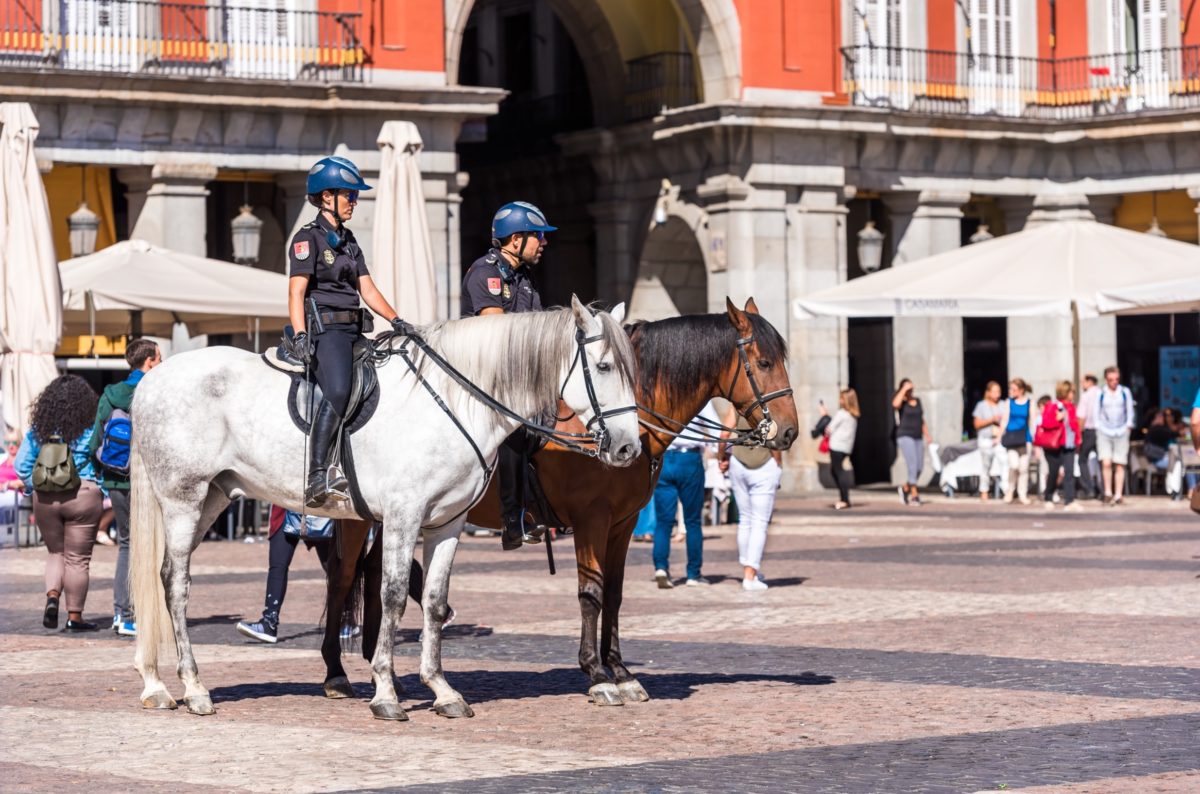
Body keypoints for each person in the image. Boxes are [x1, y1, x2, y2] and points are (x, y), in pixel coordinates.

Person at [287, 155, 417, 509]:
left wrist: (398, 320)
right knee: (340, 388)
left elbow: (368, 289)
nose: (355, 202)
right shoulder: (306, 239)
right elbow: (297, 292)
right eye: (349, 195)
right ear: (326, 197)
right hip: (326, 333)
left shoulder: (349, 240)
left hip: (356, 331)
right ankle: (317, 476)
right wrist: (301, 336)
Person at [460, 201, 556, 550]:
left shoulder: (525, 278)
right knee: (514, 430)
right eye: (538, 237)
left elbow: (539, 329)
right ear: (516, 240)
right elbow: (497, 334)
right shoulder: (486, 273)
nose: (543, 243)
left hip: (523, 378)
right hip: (489, 377)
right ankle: (513, 518)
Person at [13, 376, 104, 631]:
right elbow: (105, 459)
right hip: (82, 495)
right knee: (77, 559)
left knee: (55, 553)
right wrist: (99, 486)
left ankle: (52, 596)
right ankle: (75, 617)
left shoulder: (39, 430)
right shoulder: (91, 427)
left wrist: (35, 486)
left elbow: (21, 466)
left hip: (45, 498)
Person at [87, 337, 161, 636]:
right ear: (150, 362)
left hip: (115, 480)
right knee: (151, 545)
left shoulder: (110, 394)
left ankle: (122, 613)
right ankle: (139, 613)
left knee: (127, 546)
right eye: (160, 357)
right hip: (146, 481)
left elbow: (95, 441)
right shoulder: (155, 390)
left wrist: (102, 474)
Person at [652, 400, 721, 588]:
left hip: (665, 458)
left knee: (664, 521)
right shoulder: (699, 397)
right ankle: (693, 573)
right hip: (690, 459)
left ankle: (661, 568)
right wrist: (715, 451)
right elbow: (715, 427)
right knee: (692, 521)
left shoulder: (664, 393)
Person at [718, 404, 783, 591]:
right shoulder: (767, 405)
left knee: (745, 519)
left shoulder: (737, 404)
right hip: (763, 463)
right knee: (760, 522)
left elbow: (723, 434)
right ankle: (750, 574)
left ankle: (748, 567)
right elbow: (774, 439)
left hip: (738, 461)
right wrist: (778, 463)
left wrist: (721, 457)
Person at [1095, 366, 1135, 506]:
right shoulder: (1101, 393)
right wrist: (1098, 427)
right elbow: (1097, 412)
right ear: (1106, 379)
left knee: (1120, 464)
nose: (1114, 382)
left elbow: (1129, 411)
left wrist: (1128, 427)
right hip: (1105, 431)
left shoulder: (1125, 392)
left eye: (1117, 379)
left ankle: (1118, 494)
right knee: (1106, 462)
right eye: (1111, 379)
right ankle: (1107, 492)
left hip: (1121, 431)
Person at [1039, 381, 1081, 512]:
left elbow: (1075, 426)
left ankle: (1069, 501)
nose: (1073, 394)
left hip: (1069, 444)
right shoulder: (1053, 406)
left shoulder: (1072, 407)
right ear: (1065, 392)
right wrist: (1057, 419)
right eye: (1071, 392)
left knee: (1069, 472)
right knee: (1054, 472)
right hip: (1055, 445)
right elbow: (1045, 423)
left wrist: (1078, 440)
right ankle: (1048, 497)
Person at [819, 389, 859, 510]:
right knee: (835, 471)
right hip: (846, 447)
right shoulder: (853, 414)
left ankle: (844, 499)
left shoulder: (842, 413)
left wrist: (824, 416)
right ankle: (844, 498)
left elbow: (829, 429)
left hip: (836, 446)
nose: (840, 400)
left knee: (838, 471)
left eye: (842, 398)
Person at [892, 378, 930, 506]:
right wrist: (903, 390)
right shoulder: (901, 401)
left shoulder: (917, 401)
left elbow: (921, 419)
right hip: (905, 435)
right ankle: (914, 495)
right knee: (912, 465)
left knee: (919, 467)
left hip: (918, 436)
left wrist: (928, 435)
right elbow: (895, 405)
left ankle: (905, 488)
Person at [998, 378, 1033, 505]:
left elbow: (1032, 421)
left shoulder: (1029, 402)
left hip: (1025, 438)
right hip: (1012, 438)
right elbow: (1004, 420)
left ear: (1021, 390)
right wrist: (999, 436)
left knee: (1024, 468)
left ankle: (1022, 493)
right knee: (1014, 465)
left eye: (1014, 389)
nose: (1011, 391)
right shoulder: (1009, 402)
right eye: (1010, 388)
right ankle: (1010, 490)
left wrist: (1033, 440)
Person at [972, 380, 1003, 500]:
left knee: (1004, 463)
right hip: (986, 439)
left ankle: (1006, 490)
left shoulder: (1003, 404)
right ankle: (984, 490)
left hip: (999, 439)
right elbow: (976, 424)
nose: (997, 394)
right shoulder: (981, 405)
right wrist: (991, 420)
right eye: (994, 391)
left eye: (999, 391)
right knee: (986, 465)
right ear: (988, 392)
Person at [1075, 374, 1101, 499]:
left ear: (1089, 382)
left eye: (1083, 382)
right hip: (1102, 431)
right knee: (1102, 461)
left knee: (1082, 460)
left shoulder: (1086, 396)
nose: (1081, 385)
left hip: (1089, 431)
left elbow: (1081, 416)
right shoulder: (1102, 393)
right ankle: (1104, 488)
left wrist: (1079, 434)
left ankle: (1089, 488)